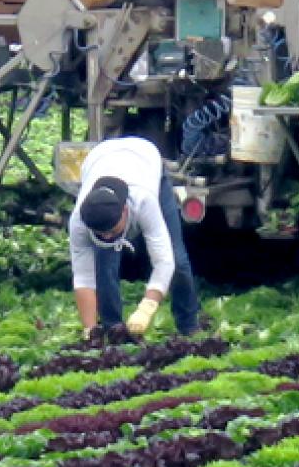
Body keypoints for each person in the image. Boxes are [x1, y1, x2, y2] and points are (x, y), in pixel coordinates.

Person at [69, 137, 201, 338]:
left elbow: (164, 262)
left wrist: (147, 307)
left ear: (124, 211)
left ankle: (189, 325)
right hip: (98, 159)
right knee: (104, 264)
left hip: (144, 158)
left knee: (177, 258)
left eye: (111, 230)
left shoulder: (144, 201)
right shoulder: (80, 219)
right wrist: (89, 330)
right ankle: (112, 330)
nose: (106, 236)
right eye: (100, 233)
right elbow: (83, 277)